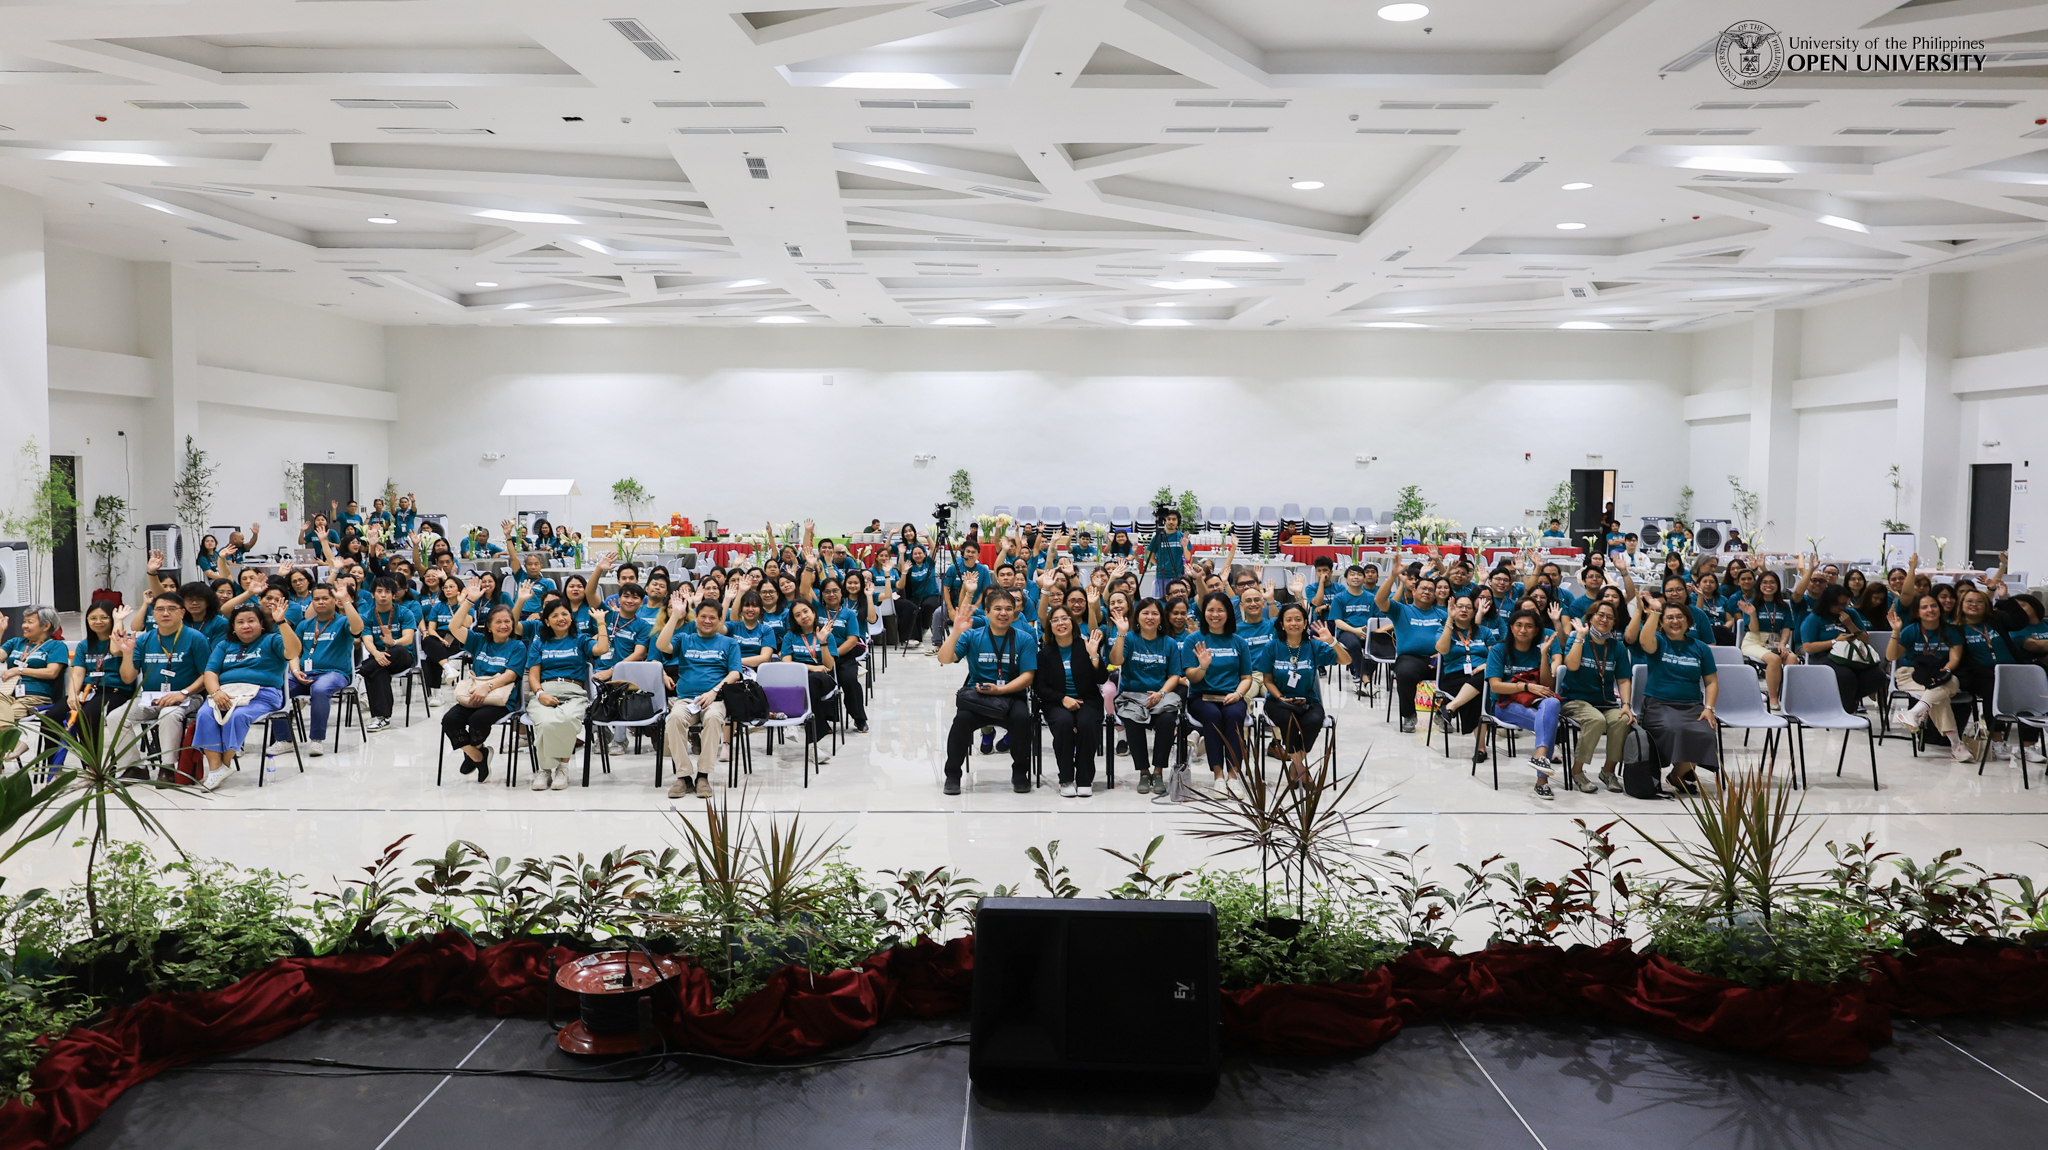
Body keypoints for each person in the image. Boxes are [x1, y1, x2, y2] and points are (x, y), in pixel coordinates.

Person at [938, 578, 1036, 795]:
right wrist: (956, 631)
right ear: (987, 612)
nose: (1004, 613)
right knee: (961, 722)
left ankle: (1020, 773)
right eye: (998, 609)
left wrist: (1001, 690)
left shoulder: (1025, 638)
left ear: (1016, 612)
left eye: (1009, 609)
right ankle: (953, 775)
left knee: (1022, 720)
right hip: (979, 697)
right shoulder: (973, 635)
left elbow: (1028, 676)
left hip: (1011, 696)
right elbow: (945, 658)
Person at [192, 600, 302, 790]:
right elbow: (210, 672)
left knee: (238, 716)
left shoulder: (272, 639)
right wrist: (216, 692)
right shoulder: (225, 645)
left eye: (251, 621)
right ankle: (215, 768)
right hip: (227, 693)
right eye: (240, 622)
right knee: (204, 714)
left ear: (261, 624)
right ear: (233, 627)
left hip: (263, 694)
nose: (246, 626)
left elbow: (293, 651)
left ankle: (223, 766)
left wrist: (282, 622)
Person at [110, 592, 215, 778]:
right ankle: (134, 767)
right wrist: (127, 653)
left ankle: (168, 767)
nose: (165, 613)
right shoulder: (143, 639)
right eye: (160, 609)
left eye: (171, 609)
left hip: (189, 696)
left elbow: (206, 675)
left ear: (182, 613)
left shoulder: (195, 638)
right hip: (150, 697)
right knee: (115, 717)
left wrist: (183, 693)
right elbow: (128, 678)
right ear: (153, 614)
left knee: (168, 714)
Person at [656, 594, 742, 798]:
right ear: (696, 618)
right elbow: (661, 646)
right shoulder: (684, 639)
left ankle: (703, 776)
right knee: (674, 718)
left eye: (713, 617)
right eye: (703, 616)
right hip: (686, 699)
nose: (707, 621)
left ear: (720, 620)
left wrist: (714, 691)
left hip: (716, 699)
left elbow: (735, 673)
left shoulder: (729, 643)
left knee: (713, 719)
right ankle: (684, 777)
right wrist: (676, 616)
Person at [442, 579, 527, 784]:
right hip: (475, 693)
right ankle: (477, 755)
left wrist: (486, 687)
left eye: (507, 621)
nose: (504, 625)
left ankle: (473, 754)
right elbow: (454, 627)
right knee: (449, 720)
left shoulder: (518, 646)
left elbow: (511, 675)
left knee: (477, 720)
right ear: (488, 626)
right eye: (498, 622)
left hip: (501, 698)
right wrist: (470, 600)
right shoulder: (479, 641)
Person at [1636, 597, 1720, 795]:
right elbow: (1643, 641)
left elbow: (1711, 682)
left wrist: (1709, 708)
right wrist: (1655, 612)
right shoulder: (1659, 642)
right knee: (1673, 728)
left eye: (1680, 617)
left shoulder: (1701, 648)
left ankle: (1676, 775)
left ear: (1688, 621)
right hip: (1658, 705)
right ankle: (1670, 772)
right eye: (1670, 618)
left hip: (1692, 705)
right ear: (1662, 623)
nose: (1675, 621)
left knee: (1705, 734)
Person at [525, 597, 610, 791]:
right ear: (547, 621)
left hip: (573, 692)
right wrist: (539, 694)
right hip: (544, 691)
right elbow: (533, 675)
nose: (561, 618)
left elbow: (602, 648)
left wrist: (601, 623)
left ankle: (562, 767)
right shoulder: (540, 643)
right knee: (545, 723)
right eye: (555, 615)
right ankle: (545, 769)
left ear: (571, 619)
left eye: (565, 614)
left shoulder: (580, 639)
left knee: (567, 719)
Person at [269, 583, 363, 757]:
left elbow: (358, 629)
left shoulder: (343, 622)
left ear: (334, 601)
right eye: (316, 599)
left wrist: (346, 601)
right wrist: (295, 671)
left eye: (325, 598)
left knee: (319, 689)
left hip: (335, 674)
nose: (320, 602)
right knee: (276, 687)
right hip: (304, 674)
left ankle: (316, 740)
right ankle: (284, 739)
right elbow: (293, 651)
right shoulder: (305, 625)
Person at [1260, 603, 1347, 784]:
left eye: (1298, 619)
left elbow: (1346, 660)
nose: (1294, 623)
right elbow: (1267, 680)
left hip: (1308, 700)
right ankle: (1301, 770)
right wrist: (1281, 698)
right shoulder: (1272, 647)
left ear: (1305, 623)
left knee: (1314, 721)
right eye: (1289, 620)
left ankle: (1295, 766)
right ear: (1282, 624)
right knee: (1288, 721)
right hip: (1278, 701)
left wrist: (1332, 641)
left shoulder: (1313, 646)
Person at [1110, 596, 1186, 795]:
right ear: (1138, 616)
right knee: (1132, 721)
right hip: (1131, 696)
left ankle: (1158, 771)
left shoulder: (1169, 643)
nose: (1150, 617)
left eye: (1155, 613)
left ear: (1161, 618)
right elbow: (1116, 660)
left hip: (1160, 696)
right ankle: (1144, 772)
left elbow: (1175, 676)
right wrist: (1121, 634)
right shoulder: (1130, 638)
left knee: (1168, 720)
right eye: (1145, 613)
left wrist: (1161, 693)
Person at [1886, 594, 1971, 763]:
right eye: (1924, 607)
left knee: (1949, 682)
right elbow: (1891, 656)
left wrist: (1943, 673)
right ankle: (1956, 745)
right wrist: (1896, 631)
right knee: (1940, 697)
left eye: (1933, 606)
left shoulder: (1950, 631)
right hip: (1910, 674)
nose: (1930, 610)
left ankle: (1913, 713)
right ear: (1918, 612)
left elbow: (1954, 659)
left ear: (1940, 609)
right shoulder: (1911, 630)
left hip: (1940, 673)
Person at [1487, 609, 1563, 798]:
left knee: (1552, 704)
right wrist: (1526, 687)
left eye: (1529, 626)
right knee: (1548, 723)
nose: (1523, 630)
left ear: (1536, 630)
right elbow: (1495, 686)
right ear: (1511, 628)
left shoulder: (1538, 651)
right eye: (1519, 625)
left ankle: (1540, 755)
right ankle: (1542, 781)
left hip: (1535, 702)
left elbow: (1547, 686)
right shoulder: (1498, 650)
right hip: (1504, 705)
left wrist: (1544, 655)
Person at [1559, 602, 1633, 793]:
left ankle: (1608, 772)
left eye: (1610, 617)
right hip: (1575, 700)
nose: (1604, 620)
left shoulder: (1617, 647)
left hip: (1605, 702)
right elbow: (1572, 666)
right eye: (1600, 615)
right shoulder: (1577, 638)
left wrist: (1626, 704)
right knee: (1595, 720)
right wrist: (1580, 637)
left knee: (1623, 719)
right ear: (1590, 617)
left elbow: (1624, 679)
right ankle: (1577, 772)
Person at [1035, 604, 1106, 797]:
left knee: (1086, 724)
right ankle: (1066, 778)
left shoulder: (1085, 646)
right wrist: (1062, 698)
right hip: (1057, 702)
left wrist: (1094, 656)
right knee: (1064, 723)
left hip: (1088, 700)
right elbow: (1040, 687)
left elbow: (1101, 679)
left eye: (1065, 618)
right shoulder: (1045, 654)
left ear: (1072, 622)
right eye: (1055, 620)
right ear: (1050, 626)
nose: (1061, 623)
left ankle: (1084, 779)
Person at [1184, 592, 1253, 787]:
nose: (1215, 615)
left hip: (1232, 695)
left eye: (1220, 610)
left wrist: (1238, 694)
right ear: (1203, 613)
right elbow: (1191, 677)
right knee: (1213, 716)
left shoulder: (1239, 642)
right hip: (1201, 697)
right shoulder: (1194, 640)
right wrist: (1203, 666)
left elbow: (1246, 678)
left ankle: (1233, 776)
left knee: (1234, 716)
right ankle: (1218, 776)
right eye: (1210, 610)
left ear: (1228, 613)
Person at [1376, 563, 1447, 734]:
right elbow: (1379, 600)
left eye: (1431, 590)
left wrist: (1440, 654)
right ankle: (1409, 715)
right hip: (1410, 658)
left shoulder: (1443, 614)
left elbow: (1452, 638)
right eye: (1423, 588)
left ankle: (1443, 714)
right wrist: (1393, 576)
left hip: (1438, 657)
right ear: (1414, 591)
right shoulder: (1401, 610)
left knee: (1455, 672)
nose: (1427, 592)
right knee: (1405, 674)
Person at [1798, 585, 1885, 716]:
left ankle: (1845, 700)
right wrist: (1835, 641)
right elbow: (1808, 647)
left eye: (1845, 604)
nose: (1842, 608)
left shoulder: (1851, 614)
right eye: (1839, 604)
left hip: (1852, 654)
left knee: (1877, 675)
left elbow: (1865, 639)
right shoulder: (1815, 618)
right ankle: (1846, 710)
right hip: (1825, 655)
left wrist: (1849, 624)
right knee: (1845, 676)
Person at [1, 608, 70, 754]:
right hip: (7, 693)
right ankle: (16, 743)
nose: (24, 625)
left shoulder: (56, 646)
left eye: (29, 622)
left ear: (46, 626)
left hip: (35, 697)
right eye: (24, 621)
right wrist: (1, 631)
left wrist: (19, 670)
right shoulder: (16, 642)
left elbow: (52, 672)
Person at [1433, 594, 1492, 763]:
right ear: (1453, 609)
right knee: (1477, 695)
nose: (1464, 610)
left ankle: (1450, 707)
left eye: (1468, 607)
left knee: (1481, 685)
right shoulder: (1443, 628)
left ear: (1474, 612)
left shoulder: (1484, 632)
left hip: (1481, 674)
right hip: (1454, 676)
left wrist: (1485, 665)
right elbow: (1442, 650)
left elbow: (1496, 656)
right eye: (1460, 606)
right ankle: (1481, 748)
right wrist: (1449, 622)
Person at [778, 600, 839, 763]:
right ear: (794, 619)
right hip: (799, 678)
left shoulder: (827, 633)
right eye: (797, 615)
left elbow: (828, 665)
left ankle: (793, 718)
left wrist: (823, 641)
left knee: (812, 682)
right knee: (808, 686)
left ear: (813, 612)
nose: (803, 616)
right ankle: (813, 746)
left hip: (824, 678)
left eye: (805, 611)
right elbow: (786, 663)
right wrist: (811, 668)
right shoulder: (790, 636)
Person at [357, 577, 419, 732]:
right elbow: (367, 641)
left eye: (387, 592)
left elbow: (408, 639)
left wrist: (393, 642)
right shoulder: (366, 616)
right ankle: (382, 718)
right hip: (379, 659)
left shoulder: (405, 613)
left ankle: (362, 670)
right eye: (379, 591)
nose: (383, 595)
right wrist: (377, 654)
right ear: (372, 594)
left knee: (397, 650)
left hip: (402, 657)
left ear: (393, 595)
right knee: (379, 670)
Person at [65, 603, 129, 738]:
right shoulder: (84, 645)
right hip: (88, 691)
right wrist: (72, 695)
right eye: (93, 618)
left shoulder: (124, 639)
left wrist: (119, 621)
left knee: (86, 716)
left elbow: (116, 650)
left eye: (104, 617)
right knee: (53, 715)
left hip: (113, 690)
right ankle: (52, 759)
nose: (98, 622)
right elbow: (77, 673)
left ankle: (94, 759)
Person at [1737, 570, 1799, 709]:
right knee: (1774, 659)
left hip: (1775, 642)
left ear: (1778, 585)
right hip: (1754, 641)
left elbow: (1787, 629)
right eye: (1765, 582)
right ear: (1759, 585)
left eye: (1772, 582)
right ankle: (1773, 698)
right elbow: (1753, 630)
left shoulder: (1783, 606)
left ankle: (1789, 697)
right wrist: (1752, 615)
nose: (1768, 585)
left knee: (1792, 659)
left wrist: (1783, 644)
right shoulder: (1751, 603)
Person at [1141, 509, 1189, 595]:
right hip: (1162, 576)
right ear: (1164, 521)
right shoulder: (1158, 537)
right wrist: (1160, 565)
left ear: (1178, 521)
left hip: (1178, 575)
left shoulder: (1181, 536)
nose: (1171, 522)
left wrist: (1185, 546)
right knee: (1162, 600)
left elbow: (1188, 557)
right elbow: (1150, 557)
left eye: (1174, 519)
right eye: (1168, 519)